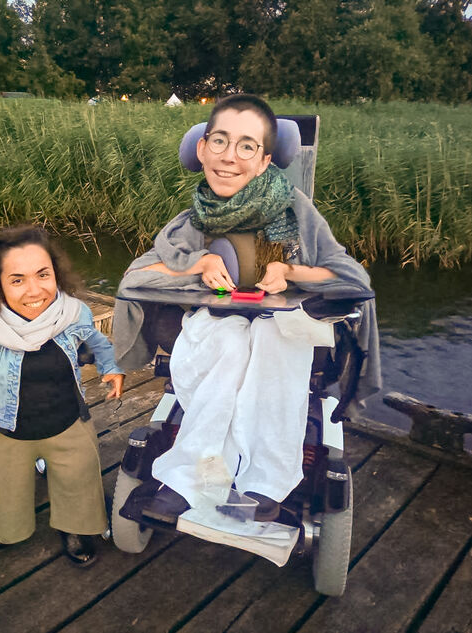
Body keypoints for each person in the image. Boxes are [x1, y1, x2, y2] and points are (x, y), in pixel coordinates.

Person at [112, 94, 381, 523]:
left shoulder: (295, 212)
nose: (229, 157)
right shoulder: (193, 221)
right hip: (217, 325)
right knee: (231, 341)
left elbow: (351, 278)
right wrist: (193, 265)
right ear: (201, 149)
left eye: (247, 146)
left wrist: (290, 271)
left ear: (264, 160)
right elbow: (135, 278)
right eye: (219, 141)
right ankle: (189, 479)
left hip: (280, 327)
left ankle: (266, 483)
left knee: (274, 339)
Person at [0, 225, 124, 566]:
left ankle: (75, 528)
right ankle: (8, 530)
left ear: (56, 274)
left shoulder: (74, 313)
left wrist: (111, 367)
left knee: (78, 481)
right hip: (7, 430)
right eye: (17, 279)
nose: (34, 290)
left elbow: (98, 342)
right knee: (5, 491)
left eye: (43, 275)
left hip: (67, 422)